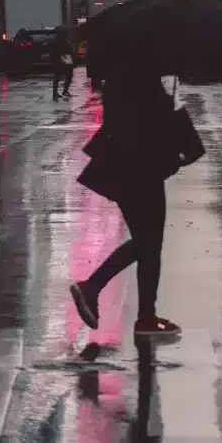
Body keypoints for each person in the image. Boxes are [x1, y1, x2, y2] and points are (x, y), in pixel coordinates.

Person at [70, 76, 191, 337]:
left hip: (136, 161)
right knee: (148, 240)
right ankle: (96, 289)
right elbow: (154, 114)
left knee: (147, 241)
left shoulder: (132, 66)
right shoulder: (140, 71)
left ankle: (142, 314)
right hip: (138, 163)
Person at [50, 27, 74, 100]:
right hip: (61, 59)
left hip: (65, 59)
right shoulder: (57, 41)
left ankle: (60, 92)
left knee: (67, 75)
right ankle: (57, 92)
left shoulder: (64, 40)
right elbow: (56, 52)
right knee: (58, 76)